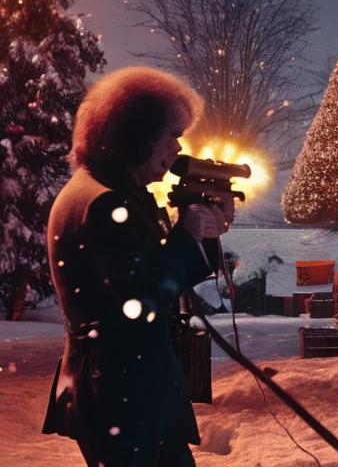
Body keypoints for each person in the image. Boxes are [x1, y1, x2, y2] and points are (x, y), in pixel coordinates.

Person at [41, 67, 234, 466]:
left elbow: (152, 277)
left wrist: (205, 235)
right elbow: (140, 307)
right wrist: (185, 238)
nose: (178, 149)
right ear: (136, 135)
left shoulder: (106, 192)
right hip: (126, 398)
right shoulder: (107, 203)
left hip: (127, 395)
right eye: (171, 136)